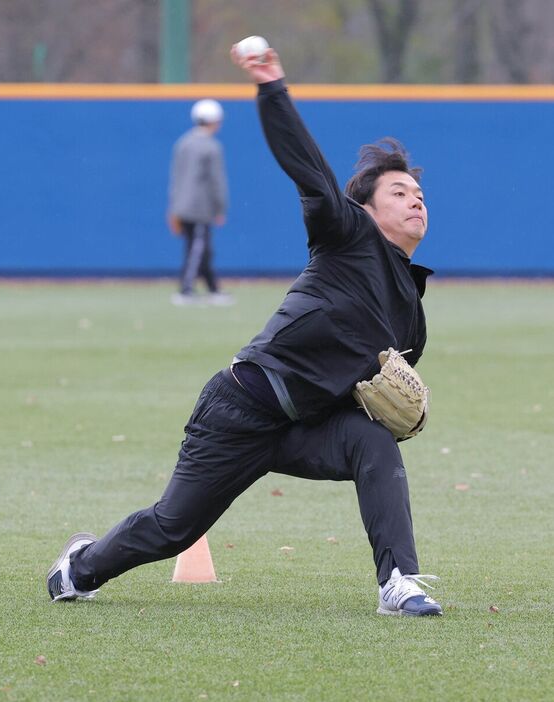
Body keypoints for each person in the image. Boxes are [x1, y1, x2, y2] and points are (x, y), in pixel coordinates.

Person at [47, 44, 443, 617]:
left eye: (420, 195)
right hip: (240, 409)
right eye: (400, 193)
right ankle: (77, 568)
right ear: (365, 209)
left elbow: (367, 392)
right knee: (172, 528)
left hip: (306, 425)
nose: (416, 202)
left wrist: (388, 417)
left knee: (373, 442)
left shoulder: (411, 313)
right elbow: (306, 166)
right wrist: (272, 87)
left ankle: (399, 583)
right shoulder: (346, 236)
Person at [167, 98, 232, 306]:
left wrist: (174, 206)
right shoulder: (211, 147)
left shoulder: (183, 143)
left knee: (202, 248)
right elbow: (216, 181)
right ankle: (186, 289)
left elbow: (176, 177)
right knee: (197, 249)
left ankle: (213, 288)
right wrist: (220, 207)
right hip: (200, 208)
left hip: (182, 206)